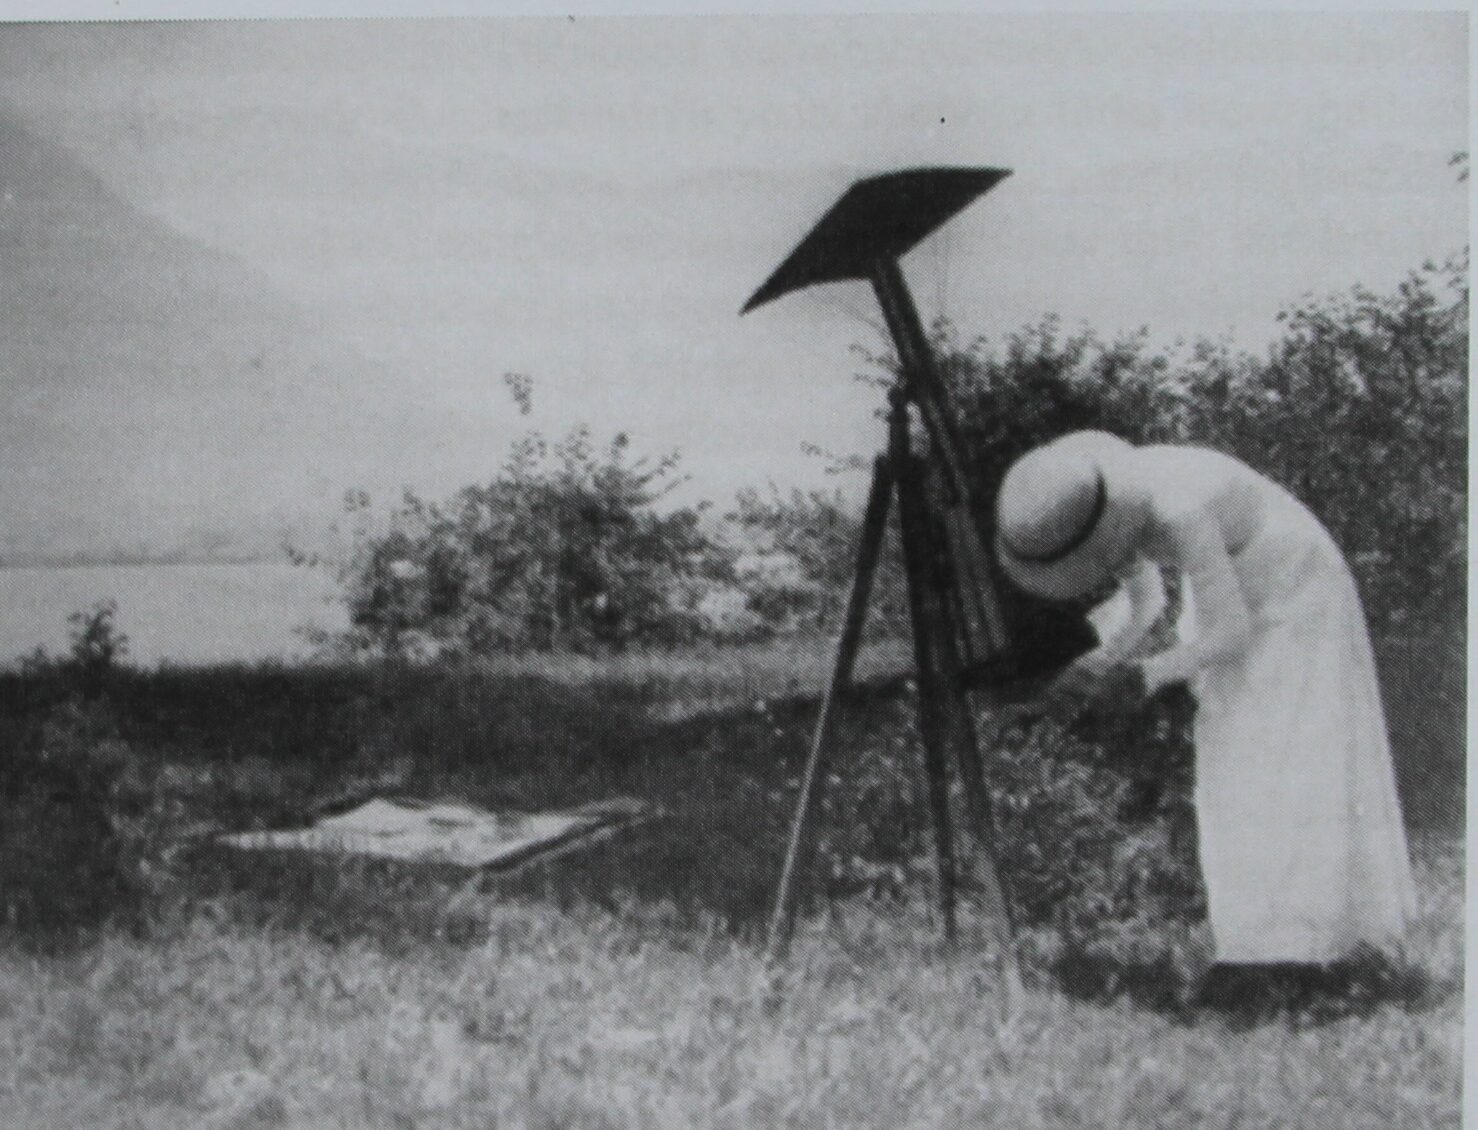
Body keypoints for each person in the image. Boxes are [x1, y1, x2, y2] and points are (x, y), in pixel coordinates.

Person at [992, 430, 1417, 969]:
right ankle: (1266, 944)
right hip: (1231, 587)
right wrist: (1090, 668)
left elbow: (1231, 632)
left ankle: (1317, 943)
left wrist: (1142, 678)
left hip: (1296, 581)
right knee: (1234, 758)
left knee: (1293, 751)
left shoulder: (1174, 507)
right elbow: (1148, 602)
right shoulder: (1097, 512)